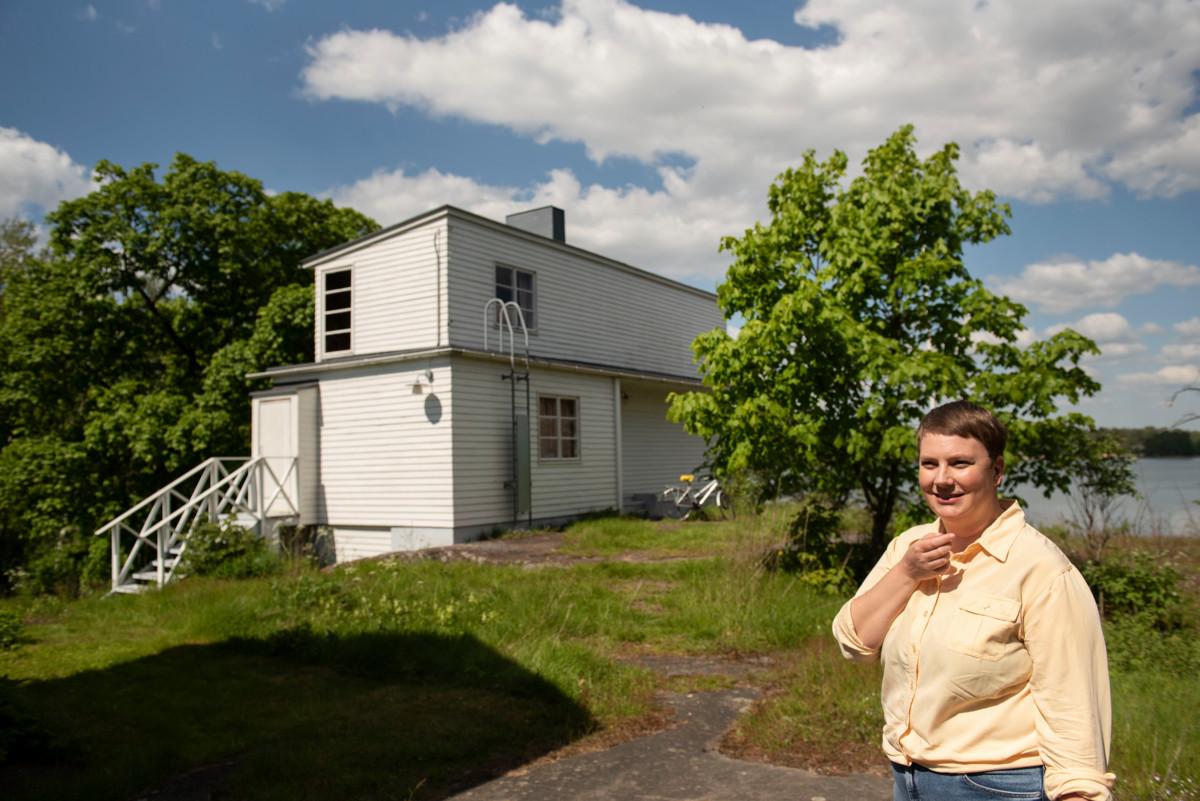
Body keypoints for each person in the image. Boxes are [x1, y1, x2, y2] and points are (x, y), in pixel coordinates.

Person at [832, 400, 1115, 801]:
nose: (942, 479)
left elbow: (1073, 705)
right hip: (907, 777)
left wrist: (1080, 791)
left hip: (996, 786)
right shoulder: (908, 548)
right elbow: (854, 642)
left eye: (960, 463)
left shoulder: (1042, 569)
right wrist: (908, 573)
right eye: (929, 464)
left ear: (996, 470)